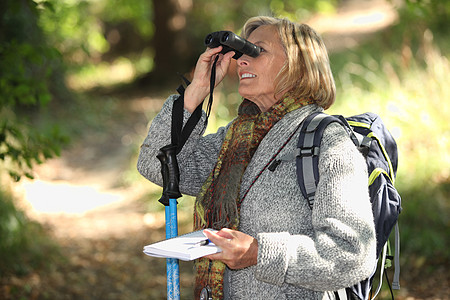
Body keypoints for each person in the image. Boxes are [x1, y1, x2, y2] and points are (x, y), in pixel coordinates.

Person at [137, 16, 376, 299]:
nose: (241, 61)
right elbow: (157, 165)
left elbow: (353, 253)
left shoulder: (327, 142)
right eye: (241, 53)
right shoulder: (235, 141)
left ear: (296, 66)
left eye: (256, 51)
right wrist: (197, 90)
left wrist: (258, 253)